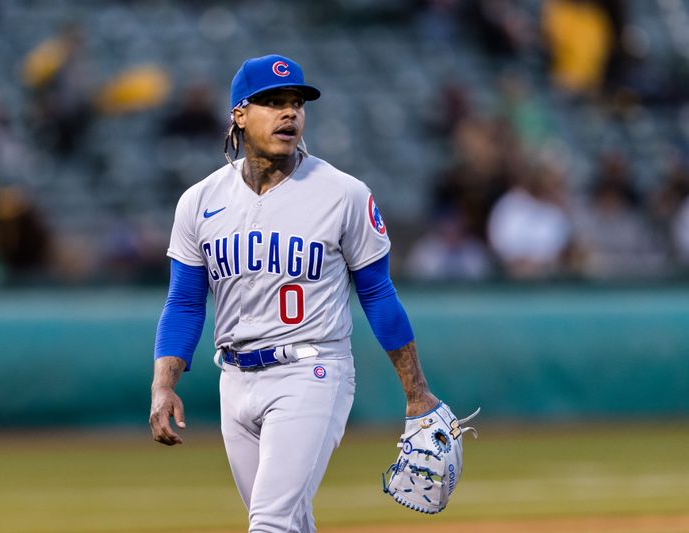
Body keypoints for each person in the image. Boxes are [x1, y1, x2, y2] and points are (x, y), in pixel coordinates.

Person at [149, 54, 470, 532]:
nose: (289, 113)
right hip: (233, 379)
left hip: (312, 370)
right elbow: (185, 301)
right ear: (238, 114)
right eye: (272, 102)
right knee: (293, 523)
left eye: (296, 102)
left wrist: (416, 391)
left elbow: (378, 294)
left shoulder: (342, 193)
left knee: (269, 523)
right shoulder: (200, 200)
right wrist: (163, 384)